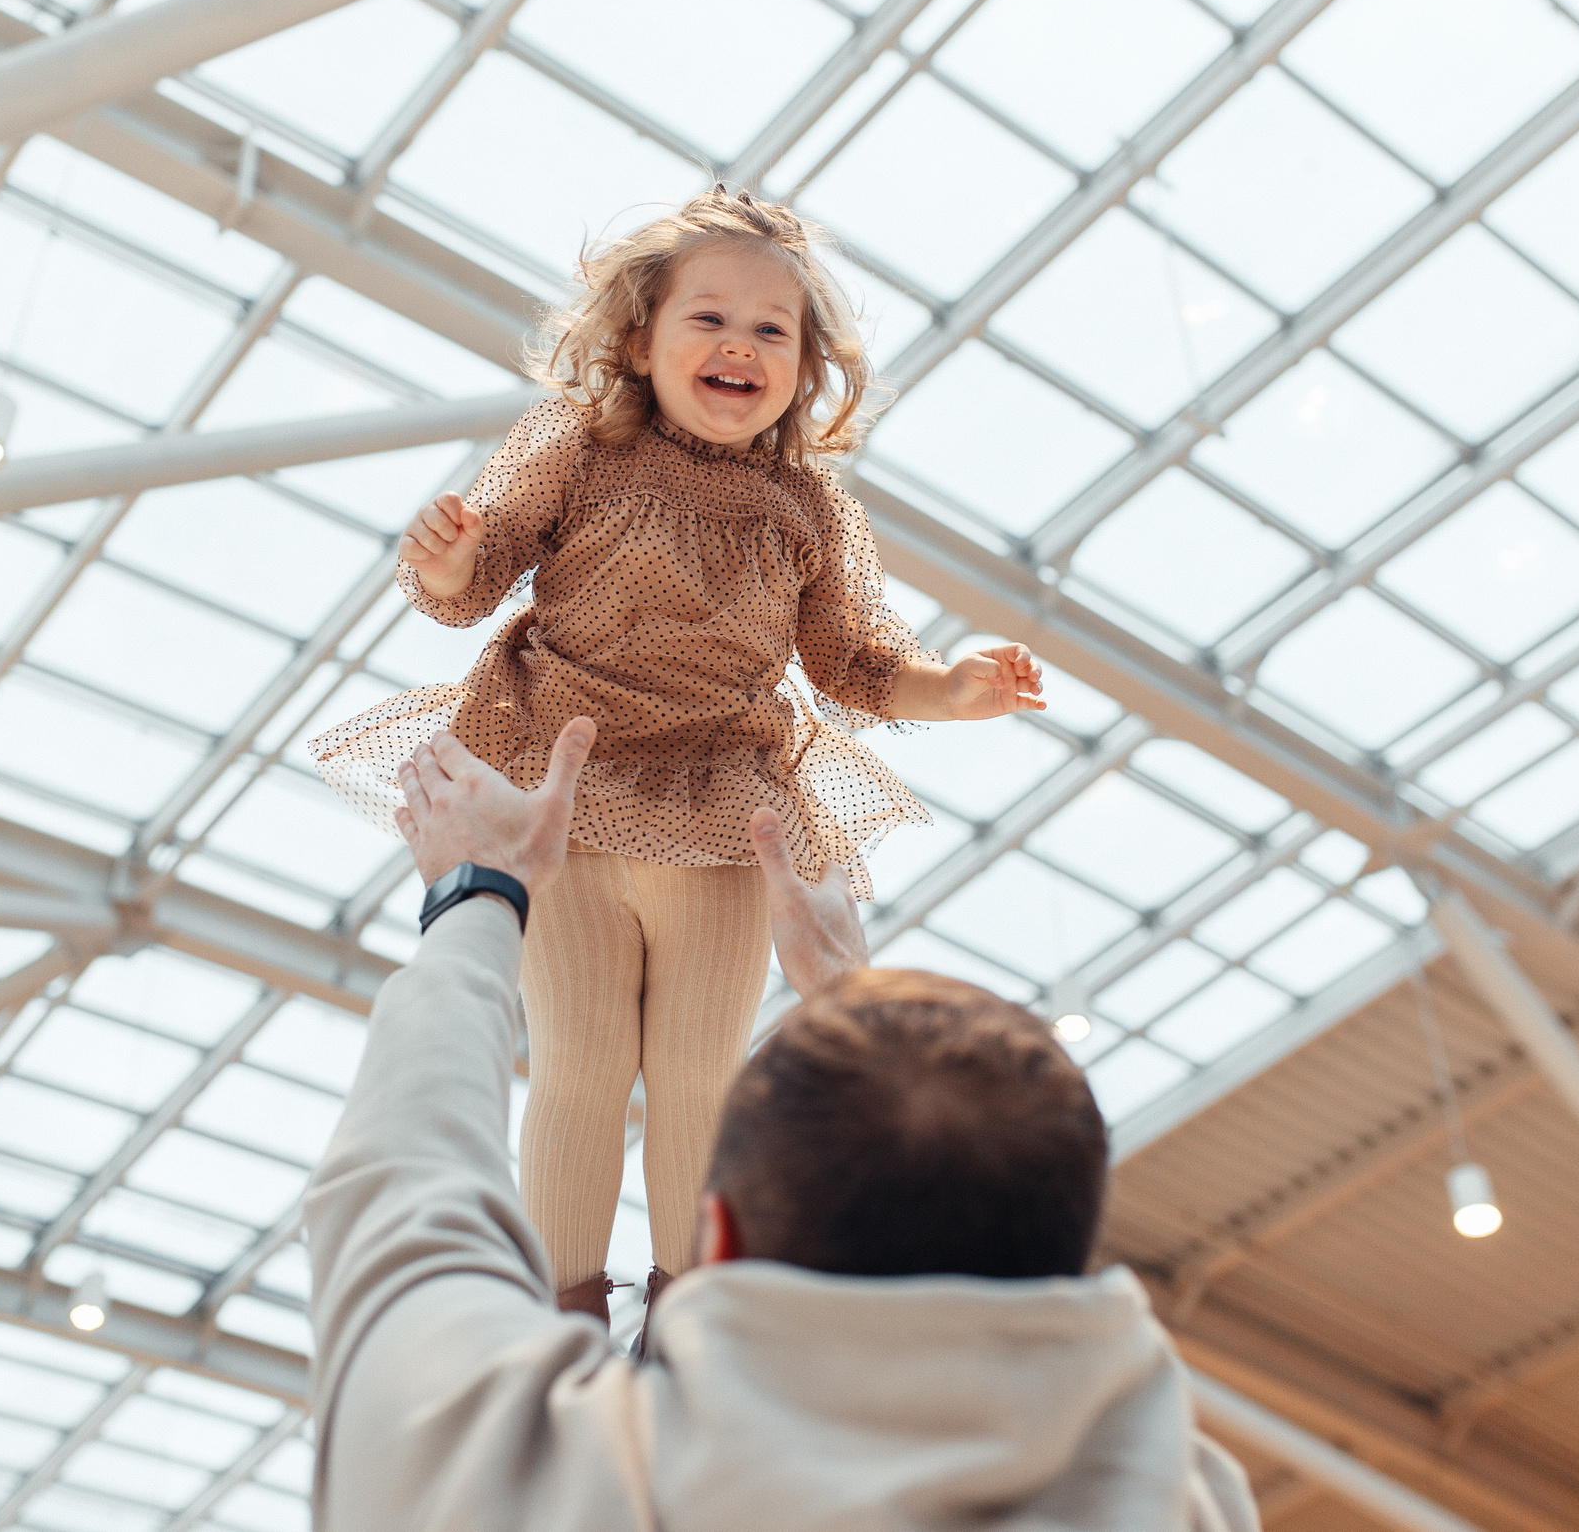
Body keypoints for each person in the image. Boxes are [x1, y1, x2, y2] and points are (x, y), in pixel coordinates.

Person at [311, 189, 1046, 1325]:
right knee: (581, 1067)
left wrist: (953, 689)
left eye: (770, 331)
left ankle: (692, 1323)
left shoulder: (807, 504)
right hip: (569, 788)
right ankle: (558, 1316)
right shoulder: (576, 445)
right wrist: (453, 564)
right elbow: (482, 567)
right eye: (707, 319)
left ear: (803, 372)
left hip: (724, 810)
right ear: (640, 340)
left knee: (703, 1078)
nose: (737, 346)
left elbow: (852, 659)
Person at [302, 720, 1260, 1532]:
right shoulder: (1179, 1498)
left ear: (717, 1242)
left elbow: (398, 1180)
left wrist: (479, 894)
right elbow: (395, 1188)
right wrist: (859, 1003)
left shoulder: (540, 1482)